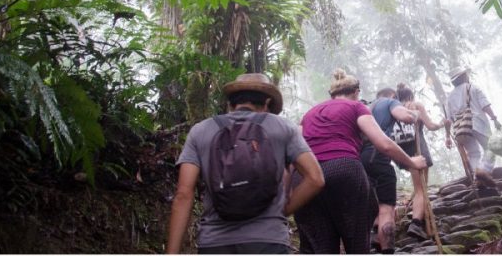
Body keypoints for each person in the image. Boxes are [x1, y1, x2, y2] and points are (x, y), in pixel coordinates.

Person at [166, 73, 325, 254]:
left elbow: (183, 194)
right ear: (267, 103)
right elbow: (316, 178)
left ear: (229, 104)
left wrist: (172, 253)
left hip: (215, 242)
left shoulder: (200, 131)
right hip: (268, 240)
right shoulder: (283, 127)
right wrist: (283, 211)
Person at [294, 69, 426, 254]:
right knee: (357, 242)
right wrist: (413, 162)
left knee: (318, 246)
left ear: (331, 95)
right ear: (356, 92)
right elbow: (384, 144)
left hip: (306, 177)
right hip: (344, 168)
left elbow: (294, 148)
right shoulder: (356, 107)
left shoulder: (309, 114)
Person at [360, 87, 419, 253]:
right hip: (377, 156)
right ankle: (387, 250)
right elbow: (405, 116)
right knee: (387, 208)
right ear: (393, 96)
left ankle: (374, 240)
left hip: (359, 159)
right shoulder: (390, 102)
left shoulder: (366, 107)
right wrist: (415, 114)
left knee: (372, 203)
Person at [394, 82, 444, 240]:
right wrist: (442, 123)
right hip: (418, 149)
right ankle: (416, 223)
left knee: (419, 187)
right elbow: (430, 126)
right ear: (411, 95)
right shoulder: (416, 105)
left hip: (402, 152)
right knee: (422, 188)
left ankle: (421, 218)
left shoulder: (395, 108)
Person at [444, 66, 502, 173]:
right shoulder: (473, 88)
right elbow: (485, 106)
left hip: (461, 128)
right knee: (490, 149)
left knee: (474, 154)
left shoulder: (450, 98)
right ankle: (483, 173)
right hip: (478, 123)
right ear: (463, 76)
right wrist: (494, 118)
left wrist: (448, 136)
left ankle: (477, 177)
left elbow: (448, 120)